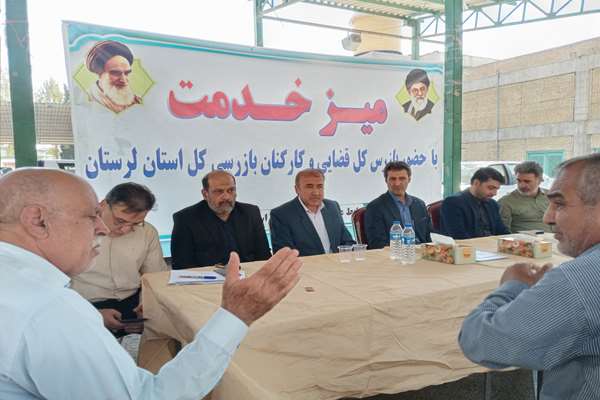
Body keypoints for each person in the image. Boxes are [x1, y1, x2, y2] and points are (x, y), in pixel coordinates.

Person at [0, 168, 302, 399]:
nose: (101, 228)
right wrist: (237, 315)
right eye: (92, 216)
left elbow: (155, 276)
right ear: (37, 220)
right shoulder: (50, 312)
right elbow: (150, 396)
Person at [458, 154, 600, 399]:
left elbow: (481, 342)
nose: (548, 218)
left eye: (560, 204)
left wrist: (513, 287)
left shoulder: (579, 280)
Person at [70, 182, 168, 337]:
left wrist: (147, 306)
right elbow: (55, 285)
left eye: (135, 224)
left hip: (132, 305)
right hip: (83, 307)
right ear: (103, 205)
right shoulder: (73, 231)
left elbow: (155, 277)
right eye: (120, 221)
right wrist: (94, 314)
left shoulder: (147, 232)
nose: (125, 230)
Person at [171, 170, 271, 269]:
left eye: (231, 190)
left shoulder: (251, 213)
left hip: (249, 275)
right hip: (207, 277)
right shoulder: (185, 219)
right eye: (219, 191)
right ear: (205, 194)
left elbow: (264, 257)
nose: (226, 197)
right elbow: (182, 266)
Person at [270, 168, 355, 256]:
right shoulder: (281, 215)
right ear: (297, 189)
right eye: (309, 186)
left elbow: (348, 242)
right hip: (304, 265)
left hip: (337, 262)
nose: (316, 193)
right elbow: (285, 255)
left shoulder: (332, 207)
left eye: (319, 186)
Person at [364, 161, 432, 248]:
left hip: (422, 253)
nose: (397, 183)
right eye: (392, 179)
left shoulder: (419, 205)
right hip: (394, 254)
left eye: (402, 178)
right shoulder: (375, 208)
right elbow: (377, 244)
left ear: (409, 179)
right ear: (386, 180)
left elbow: (430, 237)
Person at [440, 167, 510, 239]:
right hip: (467, 245)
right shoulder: (453, 203)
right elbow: (459, 236)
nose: (494, 193)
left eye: (496, 189)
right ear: (476, 183)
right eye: (491, 188)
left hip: (491, 244)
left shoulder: (492, 204)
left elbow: (501, 230)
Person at [85, 40, 141, 113]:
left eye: (126, 73)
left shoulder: (136, 101)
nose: (124, 80)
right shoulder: (87, 100)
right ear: (100, 74)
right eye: (116, 73)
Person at [498, 161, 550, 233]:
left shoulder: (551, 196)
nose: (521, 185)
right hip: (526, 239)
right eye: (518, 181)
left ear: (539, 180)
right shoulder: (506, 202)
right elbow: (503, 233)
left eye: (527, 181)